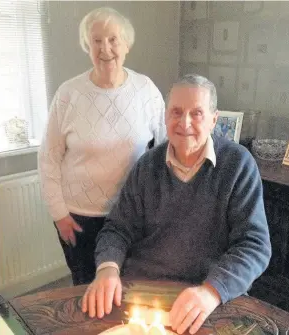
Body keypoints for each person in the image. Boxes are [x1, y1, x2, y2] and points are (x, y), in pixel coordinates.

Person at [82, 74, 271, 334]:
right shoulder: (147, 166)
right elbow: (117, 228)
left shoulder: (239, 165)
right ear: (165, 116)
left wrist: (211, 292)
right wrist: (107, 269)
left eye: (197, 113)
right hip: (143, 293)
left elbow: (255, 246)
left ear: (214, 120)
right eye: (176, 112)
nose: (185, 123)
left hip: (208, 296)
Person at [38, 7, 166, 286]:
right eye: (96, 41)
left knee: (129, 287)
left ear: (127, 44)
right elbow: (48, 158)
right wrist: (59, 214)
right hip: (79, 218)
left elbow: (165, 152)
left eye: (113, 39)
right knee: (85, 289)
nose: (105, 48)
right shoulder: (68, 94)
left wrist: (158, 207)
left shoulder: (146, 91)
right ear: (87, 46)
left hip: (132, 215)